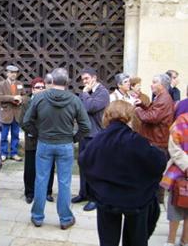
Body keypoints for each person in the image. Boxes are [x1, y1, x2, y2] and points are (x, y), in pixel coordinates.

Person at [80, 100, 167, 246]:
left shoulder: (98, 140)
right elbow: (158, 162)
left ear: (107, 116)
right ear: (130, 117)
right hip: (135, 200)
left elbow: (84, 160)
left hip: (106, 198)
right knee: (136, 239)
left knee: (108, 240)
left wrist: (99, 183)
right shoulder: (137, 141)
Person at [23, 68, 91, 229]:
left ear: (52, 81)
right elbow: (86, 127)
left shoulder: (39, 97)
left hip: (44, 144)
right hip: (65, 145)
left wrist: (38, 134)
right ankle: (65, 218)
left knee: (41, 180)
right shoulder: (74, 100)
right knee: (64, 182)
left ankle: (37, 217)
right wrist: (73, 138)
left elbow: (26, 122)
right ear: (67, 82)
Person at [71, 67, 110, 212]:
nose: (84, 82)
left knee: (94, 167)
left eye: (87, 79)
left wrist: (85, 94)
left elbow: (90, 107)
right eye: (83, 80)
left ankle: (95, 198)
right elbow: (79, 109)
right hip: (84, 134)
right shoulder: (85, 92)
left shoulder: (103, 92)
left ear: (94, 78)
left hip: (96, 135)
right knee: (83, 164)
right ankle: (84, 193)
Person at [135, 74, 174, 203]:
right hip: (155, 140)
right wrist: (143, 106)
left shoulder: (164, 99)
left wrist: (137, 110)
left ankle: (155, 200)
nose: (151, 84)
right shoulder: (160, 97)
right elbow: (154, 112)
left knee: (155, 173)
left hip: (157, 141)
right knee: (153, 172)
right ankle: (153, 199)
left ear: (162, 85)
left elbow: (152, 117)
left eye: (154, 82)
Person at [19, 77, 55, 204]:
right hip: (32, 140)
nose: (40, 89)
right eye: (37, 87)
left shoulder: (50, 101)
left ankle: (48, 192)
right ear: (32, 89)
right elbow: (23, 122)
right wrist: (36, 133)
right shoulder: (26, 102)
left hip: (47, 140)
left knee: (48, 167)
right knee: (30, 168)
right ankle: (30, 192)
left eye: (42, 87)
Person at [163, 89, 188, 246]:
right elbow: (173, 146)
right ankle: (171, 241)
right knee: (176, 207)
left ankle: (185, 240)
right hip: (180, 170)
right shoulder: (182, 121)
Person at [0, 65, 25, 161]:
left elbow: (24, 96)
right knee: (4, 135)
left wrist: (21, 100)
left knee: (15, 135)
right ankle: (3, 153)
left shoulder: (19, 84)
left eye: (15, 73)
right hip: (6, 113)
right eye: (11, 72)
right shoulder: (1, 84)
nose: (13, 74)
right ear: (7, 73)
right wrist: (13, 98)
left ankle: (14, 153)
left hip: (17, 113)